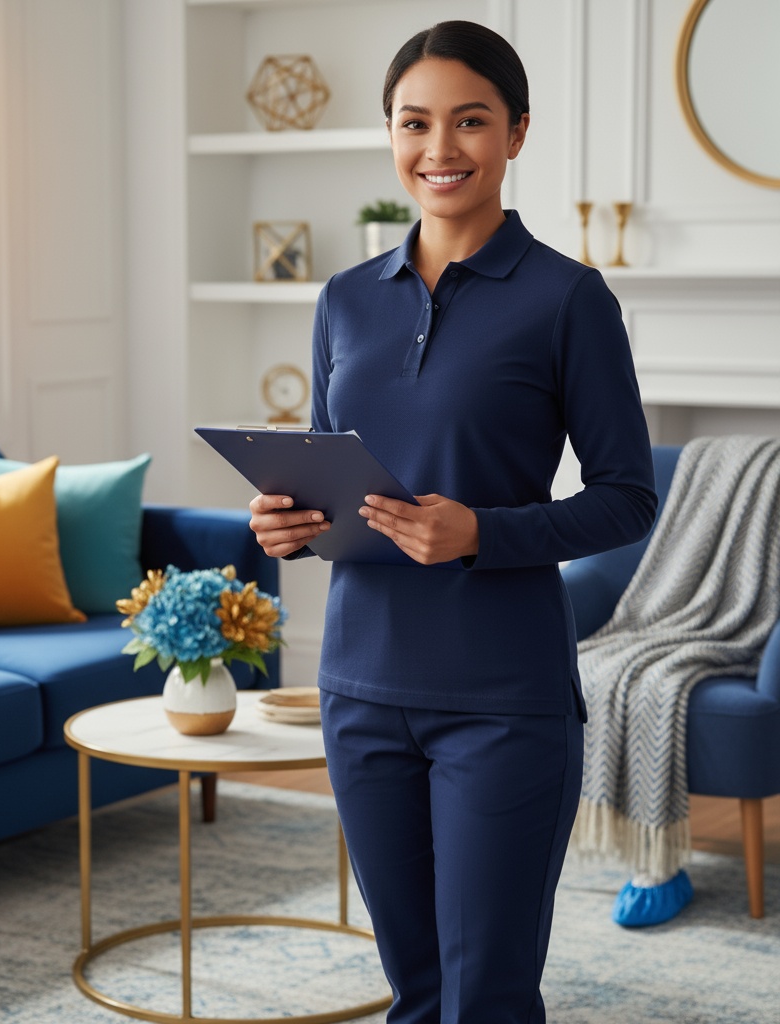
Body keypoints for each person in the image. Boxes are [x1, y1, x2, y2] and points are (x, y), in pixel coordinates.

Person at [248, 20, 658, 1024]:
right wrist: (285, 518)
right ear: (389, 133)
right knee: (415, 989)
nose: (440, 149)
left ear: (515, 133)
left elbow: (627, 495)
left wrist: (483, 532)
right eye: (414, 123)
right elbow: (322, 463)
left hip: (501, 699)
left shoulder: (569, 299)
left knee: (485, 995)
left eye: (469, 122)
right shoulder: (345, 298)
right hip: (355, 688)